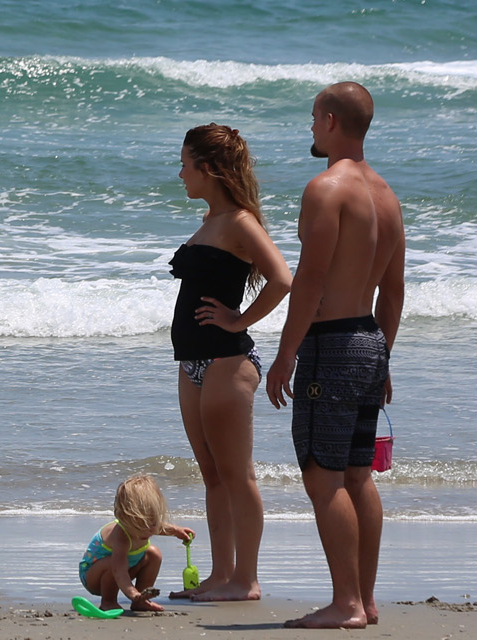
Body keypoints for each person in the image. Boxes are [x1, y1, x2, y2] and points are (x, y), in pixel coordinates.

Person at [267, 81, 403, 630]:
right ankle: (364, 601)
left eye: (311, 119)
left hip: (332, 344)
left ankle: (345, 603)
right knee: (357, 476)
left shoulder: (326, 189)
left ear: (328, 120)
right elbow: (393, 291)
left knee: (322, 478)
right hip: (369, 339)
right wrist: (383, 358)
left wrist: (285, 354)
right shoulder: (387, 196)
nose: (309, 128)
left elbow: (312, 279)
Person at [167, 124, 292, 602]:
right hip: (192, 362)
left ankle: (247, 579)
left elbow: (282, 278)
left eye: (185, 164)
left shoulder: (240, 222)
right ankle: (222, 576)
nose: (180, 173)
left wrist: (238, 321)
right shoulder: (209, 221)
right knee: (212, 474)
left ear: (208, 169)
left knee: (237, 475)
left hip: (226, 360)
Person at [79, 474, 195, 612]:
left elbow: (159, 527)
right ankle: (108, 601)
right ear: (124, 519)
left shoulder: (148, 526)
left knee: (153, 553)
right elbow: (119, 570)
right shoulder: (120, 535)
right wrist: (132, 593)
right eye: (140, 526)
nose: (148, 532)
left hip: (124, 569)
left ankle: (141, 601)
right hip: (95, 577)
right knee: (112, 563)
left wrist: (176, 530)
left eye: (152, 523)